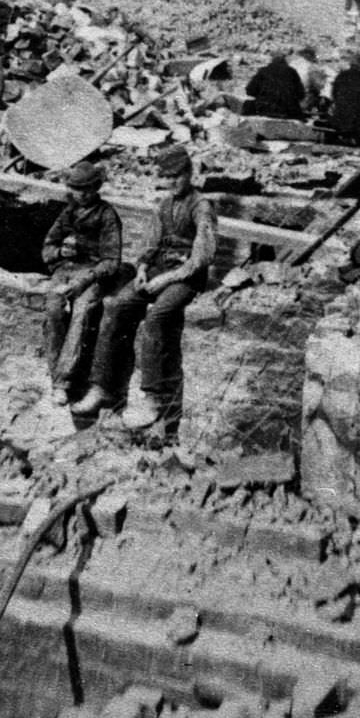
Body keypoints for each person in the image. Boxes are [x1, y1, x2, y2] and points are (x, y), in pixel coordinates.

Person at [72, 144, 216, 432]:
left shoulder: (201, 206)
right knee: (116, 305)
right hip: (160, 268)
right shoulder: (164, 205)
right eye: (167, 177)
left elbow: (202, 257)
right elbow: (151, 245)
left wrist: (166, 279)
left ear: (189, 174)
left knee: (158, 316)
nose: (172, 182)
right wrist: (141, 270)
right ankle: (102, 386)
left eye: (177, 176)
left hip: (187, 275)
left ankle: (153, 398)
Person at [41, 162, 127, 404]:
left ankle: (64, 382)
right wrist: (61, 253)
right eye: (77, 190)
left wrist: (85, 281)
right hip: (65, 270)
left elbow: (111, 261)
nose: (83, 195)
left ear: (97, 188)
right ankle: (57, 378)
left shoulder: (107, 215)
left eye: (88, 189)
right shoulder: (68, 213)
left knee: (82, 313)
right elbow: (47, 248)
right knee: (54, 310)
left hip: (92, 274)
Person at [244, 51, 305, 120]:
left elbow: (250, 91)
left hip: (264, 108)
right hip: (288, 111)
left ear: (272, 61)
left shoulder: (263, 71)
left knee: (247, 106)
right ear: (285, 62)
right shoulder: (292, 72)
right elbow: (301, 95)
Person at [287, 46, 328, 113]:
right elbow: (320, 86)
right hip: (302, 101)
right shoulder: (311, 67)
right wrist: (324, 77)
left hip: (288, 98)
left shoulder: (292, 63)